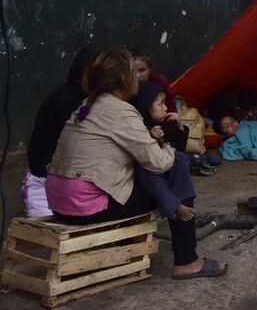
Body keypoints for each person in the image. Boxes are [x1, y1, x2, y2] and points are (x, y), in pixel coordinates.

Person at [45, 49, 227, 279]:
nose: (138, 79)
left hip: (58, 200)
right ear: (124, 79)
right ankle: (187, 260)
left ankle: (136, 241)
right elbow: (159, 163)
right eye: (134, 74)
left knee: (148, 172)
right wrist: (169, 147)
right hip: (86, 206)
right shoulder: (120, 111)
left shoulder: (86, 106)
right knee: (177, 164)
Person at [23, 47, 96, 217]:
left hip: (76, 181)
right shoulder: (66, 98)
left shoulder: (100, 99)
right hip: (45, 178)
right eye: (92, 74)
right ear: (80, 75)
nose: (97, 81)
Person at [129, 81, 196, 221]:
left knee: (181, 158)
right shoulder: (138, 127)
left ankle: (179, 203)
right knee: (150, 175)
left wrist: (179, 125)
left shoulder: (166, 124)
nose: (165, 108)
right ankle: (174, 206)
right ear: (146, 107)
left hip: (167, 167)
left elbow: (179, 148)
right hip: (145, 172)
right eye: (160, 104)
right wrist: (151, 137)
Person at [130, 47, 177, 112]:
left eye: (142, 70)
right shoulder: (123, 89)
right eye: (132, 71)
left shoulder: (159, 82)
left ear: (150, 69)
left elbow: (171, 110)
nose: (137, 76)